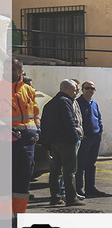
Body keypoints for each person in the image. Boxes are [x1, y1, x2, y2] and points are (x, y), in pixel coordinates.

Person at [41, 79, 84, 207]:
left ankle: (55, 197)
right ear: (68, 89)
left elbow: (44, 123)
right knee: (69, 171)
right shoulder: (65, 102)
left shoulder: (50, 103)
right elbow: (69, 121)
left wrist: (47, 142)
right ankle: (72, 198)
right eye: (75, 89)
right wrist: (75, 137)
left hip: (54, 142)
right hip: (66, 142)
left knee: (55, 171)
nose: (76, 92)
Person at [10, 58, 41, 216]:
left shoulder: (28, 89)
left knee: (23, 182)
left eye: (12, 69)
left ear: (20, 71)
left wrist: (36, 130)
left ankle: (18, 216)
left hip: (27, 141)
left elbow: (35, 112)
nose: (7, 71)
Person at [75, 80, 106, 197]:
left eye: (92, 88)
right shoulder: (77, 103)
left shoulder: (94, 103)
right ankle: (78, 189)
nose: (90, 90)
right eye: (87, 88)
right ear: (82, 90)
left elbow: (99, 118)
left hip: (95, 137)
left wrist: (100, 131)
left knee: (91, 164)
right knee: (80, 164)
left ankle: (90, 188)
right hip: (84, 138)